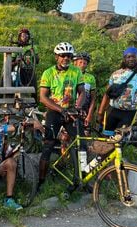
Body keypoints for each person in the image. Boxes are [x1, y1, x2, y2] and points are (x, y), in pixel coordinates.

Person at [37, 42, 86, 192]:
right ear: (56, 57)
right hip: (55, 111)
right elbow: (43, 98)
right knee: (48, 146)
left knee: (81, 145)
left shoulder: (76, 71)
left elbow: (82, 92)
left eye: (69, 56)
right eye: (63, 55)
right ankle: (41, 182)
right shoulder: (48, 73)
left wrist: (77, 107)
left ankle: (82, 180)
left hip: (71, 111)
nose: (66, 58)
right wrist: (60, 110)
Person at [97, 47, 137, 133]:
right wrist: (100, 113)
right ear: (124, 59)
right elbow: (107, 95)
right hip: (112, 111)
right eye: (128, 57)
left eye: (133, 56)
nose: (131, 59)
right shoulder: (116, 74)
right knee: (107, 140)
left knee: (120, 141)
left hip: (129, 114)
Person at [11, 27, 39, 98]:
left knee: (34, 89)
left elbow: (37, 61)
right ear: (19, 37)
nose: (25, 37)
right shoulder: (16, 47)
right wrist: (16, 62)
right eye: (23, 36)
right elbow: (10, 63)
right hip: (19, 71)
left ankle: (34, 105)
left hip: (30, 71)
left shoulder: (32, 47)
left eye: (26, 36)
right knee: (19, 89)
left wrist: (34, 55)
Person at [72, 52, 96, 130]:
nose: (82, 65)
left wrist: (90, 115)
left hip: (84, 111)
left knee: (84, 134)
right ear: (75, 63)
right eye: (80, 62)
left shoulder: (90, 78)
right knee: (65, 136)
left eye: (85, 63)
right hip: (70, 109)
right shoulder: (69, 75)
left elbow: (93, 99)